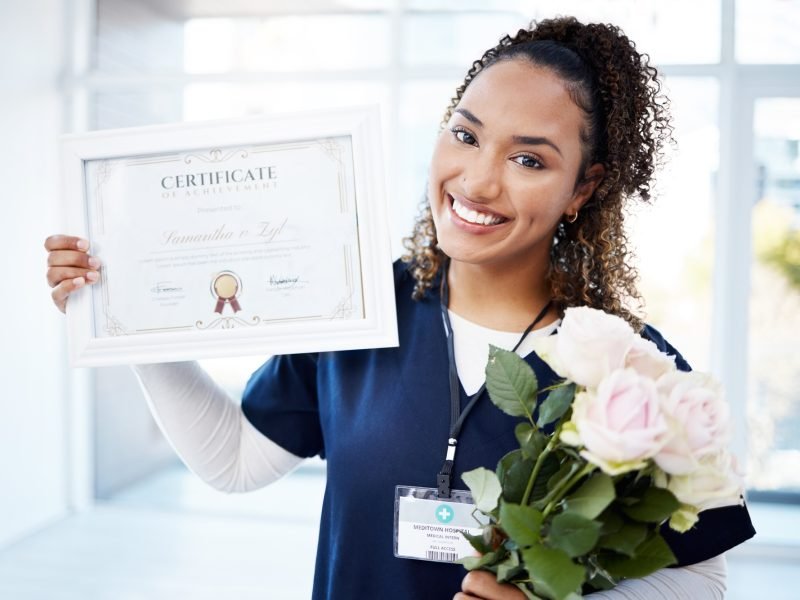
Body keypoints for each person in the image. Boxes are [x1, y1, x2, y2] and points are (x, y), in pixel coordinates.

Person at [45, 16, 754, 600]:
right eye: (466, 134)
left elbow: (701, 574)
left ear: (583, 186)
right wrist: (127, 316)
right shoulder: (356, 303)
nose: (476, 180)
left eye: (529, 159)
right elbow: (234, 461)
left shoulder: (625, 366)